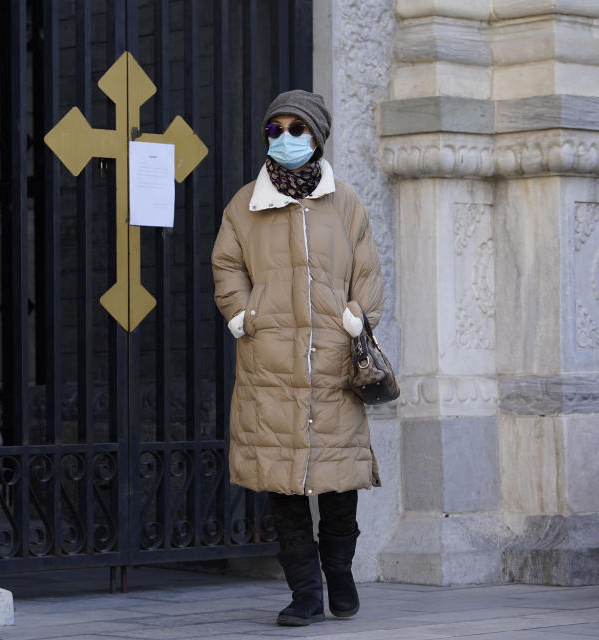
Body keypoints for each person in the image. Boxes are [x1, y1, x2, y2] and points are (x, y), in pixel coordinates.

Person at [211, 90, 385, 627]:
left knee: (337, 480)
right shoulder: (245, 205)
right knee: (280, 481)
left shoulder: (346, 202)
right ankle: (305, 591)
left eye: (296, 129)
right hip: (270, 364)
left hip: (333, 362)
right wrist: (243, 316)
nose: (285, 139)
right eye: (275, 130)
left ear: (317, 136)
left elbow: (369, 271)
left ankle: (339, 571)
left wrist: (357, 318)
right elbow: (226, 265)